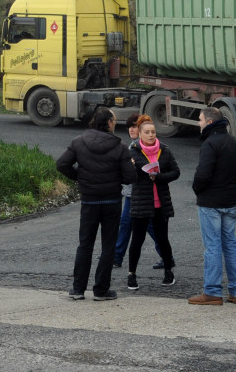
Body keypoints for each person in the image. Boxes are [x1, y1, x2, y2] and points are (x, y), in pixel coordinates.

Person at [57, 107, 136, 301]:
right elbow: (130, 177)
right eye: (114, 120)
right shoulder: (120, 146)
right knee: (108, 246)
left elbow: (62, 164)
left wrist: (80, 179)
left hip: (89, 200)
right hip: (111, 201)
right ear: (109, 123)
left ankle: (77, 289)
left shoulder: (78, 142)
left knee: (85, 244)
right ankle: (101, 290)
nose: (115, 123)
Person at [187, 107, 236, 306]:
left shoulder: (210, 144)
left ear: (210, 122)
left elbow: (203, 174)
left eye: (200, 119)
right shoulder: (233, 142)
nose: (199, 123)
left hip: (211, 203)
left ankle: (212, 291)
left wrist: (198, 189)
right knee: (230, 245)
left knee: (212, 246)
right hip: (230, 201)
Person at [126, 114, 180, 290]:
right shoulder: (133, 151)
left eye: (153, 132)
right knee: (137, 240)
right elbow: (126, 175)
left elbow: (176, 171)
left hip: (160, 202)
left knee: (162, 238)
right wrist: (134, 168)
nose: (151, 135)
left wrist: (159, 177)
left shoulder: (164, 150)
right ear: (140, 134)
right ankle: (131, 274)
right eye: (147, 132)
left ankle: (168, 271)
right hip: (141, 202)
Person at [114, 114, 171, 270]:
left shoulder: (155, 149)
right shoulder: (131, 148)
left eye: (134, 126)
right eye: (130, 127)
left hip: (142, 195)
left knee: (147, 227)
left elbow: (173, 170)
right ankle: (117, 256)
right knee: (127, 224)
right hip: (132, 193)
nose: (131, 129)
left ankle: (166, 256)